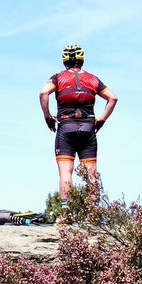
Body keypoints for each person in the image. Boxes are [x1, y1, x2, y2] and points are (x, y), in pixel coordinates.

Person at [39, 44, 117, 220]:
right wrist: (101, 120)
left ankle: (66, 214)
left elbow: (43, 93)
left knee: (66, 172)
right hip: (89, 128)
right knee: (91, 172)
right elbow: (113, 98)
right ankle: (94, 214)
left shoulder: (58, 78)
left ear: (64, 60)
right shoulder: (93, 79)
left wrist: (47, 117)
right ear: (82, 60)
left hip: (66, 128)